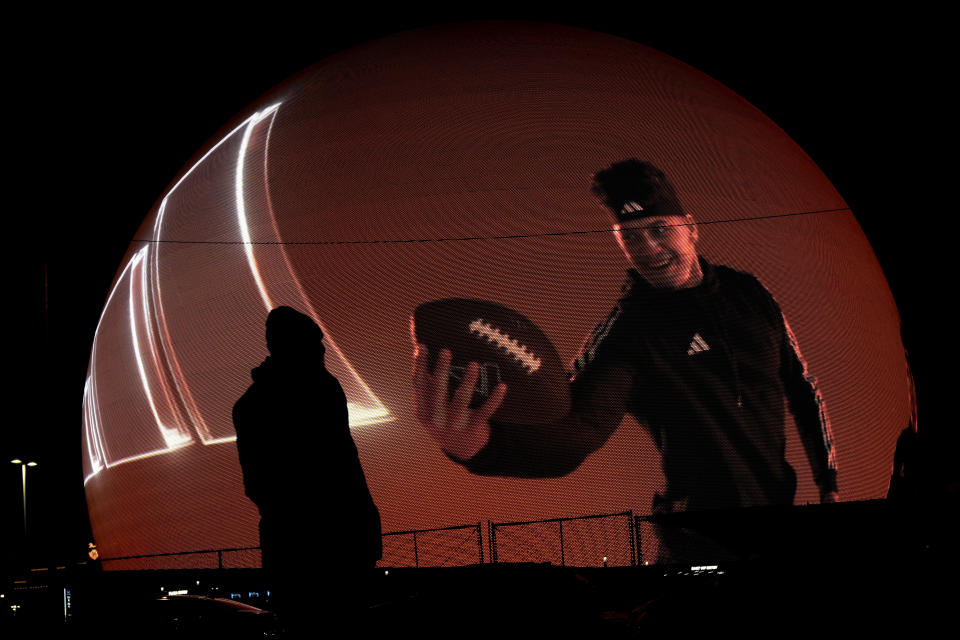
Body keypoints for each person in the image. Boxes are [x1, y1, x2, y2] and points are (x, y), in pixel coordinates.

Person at [413, 159, 838, 561]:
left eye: (658, 229)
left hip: (778, 520)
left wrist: (828, 484)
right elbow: (579, 429)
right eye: (630, 236)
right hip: (699, 535)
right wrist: (482, 447)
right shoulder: (627, 333)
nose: (648, 248)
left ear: (691, 228)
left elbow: (801, 387)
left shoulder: (750, 292)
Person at [233, 306, 381, 631]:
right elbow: (343, 465)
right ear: (293, 346)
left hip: (302, 549)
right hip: (318, 548)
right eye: (315, 343)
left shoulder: (260, 403)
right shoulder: (320, 392)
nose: (323, 350)